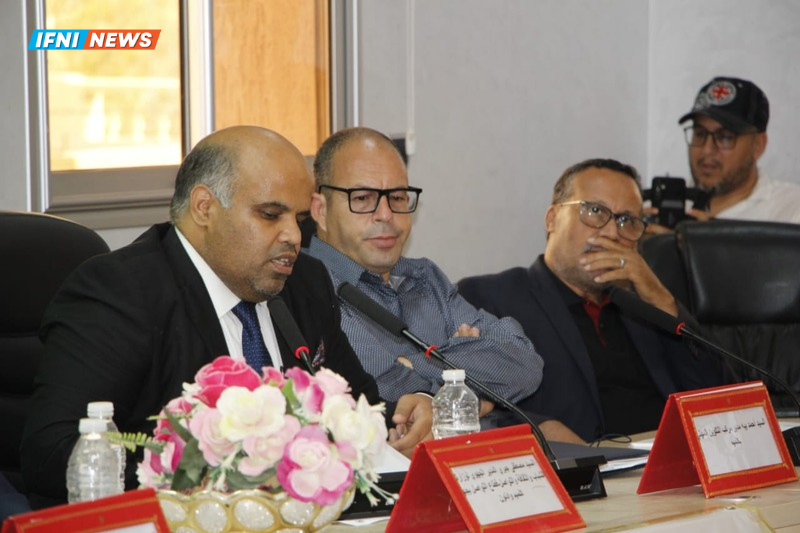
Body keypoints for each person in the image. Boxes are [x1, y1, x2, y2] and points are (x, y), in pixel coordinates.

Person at [21, 126, 432, 508]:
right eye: (270, 215)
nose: (293, 235)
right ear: (205, 207)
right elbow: (53, 452)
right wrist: (223, 471)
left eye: (298, 219)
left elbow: (357, 405)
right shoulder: (121, 292)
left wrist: (404, 415)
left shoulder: (305, 281)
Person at [306, 127, 561, 435]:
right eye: (362, 198)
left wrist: (414, 365)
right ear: (320, 210)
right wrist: (470, 376)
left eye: (397, 197)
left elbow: (524, 364)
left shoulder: (425, 277)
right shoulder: (307, 286)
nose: (386, 214)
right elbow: (383, 387)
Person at [458, 159, 728, 443]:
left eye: (626, 221)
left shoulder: (648, 309)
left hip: (666, 462)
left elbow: (720, 397)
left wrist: (658, 297)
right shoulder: (489, 298)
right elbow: (465, 404)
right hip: (579, 466)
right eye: (595, 211)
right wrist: (538, 428)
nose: (611, 233)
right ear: (552, 219)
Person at [648, 76, 800, 230]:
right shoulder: (660, 206)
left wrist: (708, 242)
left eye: (725, 137)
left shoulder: (790, 212)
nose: (707, 150)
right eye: (700, 134)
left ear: (758, 145)